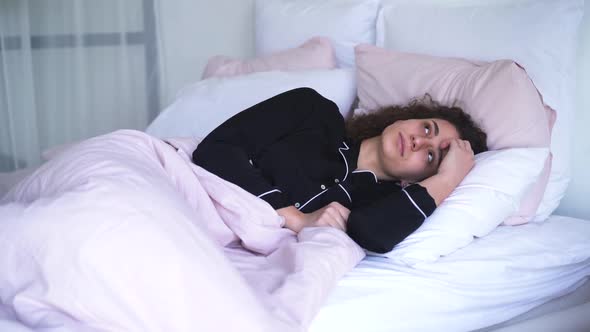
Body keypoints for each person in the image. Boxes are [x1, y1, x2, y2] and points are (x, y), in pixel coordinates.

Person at [192, 88, 487, 253]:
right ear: (409, 117)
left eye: (431, 156)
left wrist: (448, 179)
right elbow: (217, 148)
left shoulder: (377, 206)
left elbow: (372, 234)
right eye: (426, 127)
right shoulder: (313, 111)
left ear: (417, 179)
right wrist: (292, 216)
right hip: (187, 198)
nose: (418, 141)